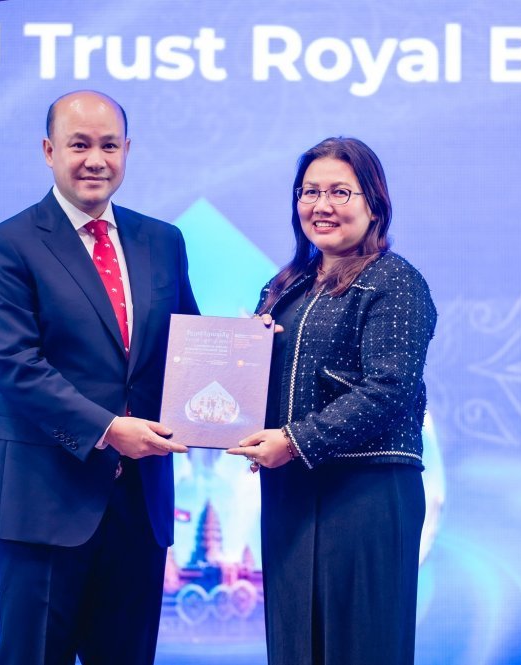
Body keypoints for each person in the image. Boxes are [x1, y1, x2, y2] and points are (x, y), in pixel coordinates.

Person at [0, 90, 198, 664]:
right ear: (49, 151)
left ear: (127, 151)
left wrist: (251, 353)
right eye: (79, 145)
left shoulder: (163, 241)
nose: (95, 160)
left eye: (109, 146)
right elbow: (16, 365)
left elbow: (189, 351)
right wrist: (109, 430)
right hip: (42, 500)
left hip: (139, 503)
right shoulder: (7, 245)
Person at [227, 137, 437, 665]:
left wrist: (294, 441)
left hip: (367, 491)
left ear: (374, 204)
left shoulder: (395, 280)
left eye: (340, 192)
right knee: (295, 646)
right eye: (309, 192)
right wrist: (242, 364)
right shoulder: (285, 285)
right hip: (291, 492)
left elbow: (389, 388)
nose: (321, 206)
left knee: (361, 646)